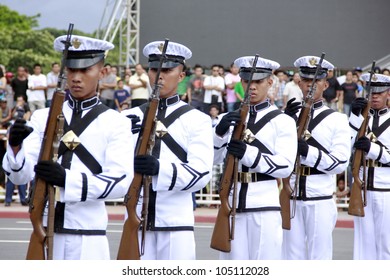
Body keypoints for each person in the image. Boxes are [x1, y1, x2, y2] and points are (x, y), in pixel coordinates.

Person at [2, 35, 135, 260]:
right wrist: (15, 149)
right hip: (43, 230)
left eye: (85, 70)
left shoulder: (116, 121)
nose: (76, 77)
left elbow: (120, 182)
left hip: (88, 237)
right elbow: (20, 177)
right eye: (72, 70)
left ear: (102, 73)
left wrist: (67, 180)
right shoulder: (42, 116)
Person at [122, 40, 213, 260]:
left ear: (181, 76)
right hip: (135, 219)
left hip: (175, 223)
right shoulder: (127, 117)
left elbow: (202, 173)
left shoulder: (197, 119)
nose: (159, 76)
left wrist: (159, 169)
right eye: (154, 69)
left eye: (167, 70)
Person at [213, 55, 297, 260]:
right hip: (232, 204)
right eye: (246, 81)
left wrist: (248, 154)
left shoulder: (282, 121)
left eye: (258, 81)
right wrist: (218, 135)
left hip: (264, 205)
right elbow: (212, 161)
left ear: (270, 82)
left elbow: (285, 166)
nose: (251, 86)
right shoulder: (227, 118)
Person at [282, 56, 351, 260]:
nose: (310, 85)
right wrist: (285, 123)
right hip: (292, 195)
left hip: (319, 197)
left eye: (316, 81)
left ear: (325, 84)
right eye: (306, 80)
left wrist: (308, 152)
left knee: (318, 259)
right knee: (291, 258)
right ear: (299, 83)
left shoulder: (337, 119)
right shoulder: (287, 116)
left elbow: (340, 162)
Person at [349, 73, 390, 259]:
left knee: (386, 244)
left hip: (385, 189)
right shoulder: (360, 120)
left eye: (379, 92)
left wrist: (373, 149)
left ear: (387, 93)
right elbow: (344, 147)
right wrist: (354, 118)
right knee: (363, 247)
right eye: (372, 92)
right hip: (363, 188)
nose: (375, 96)